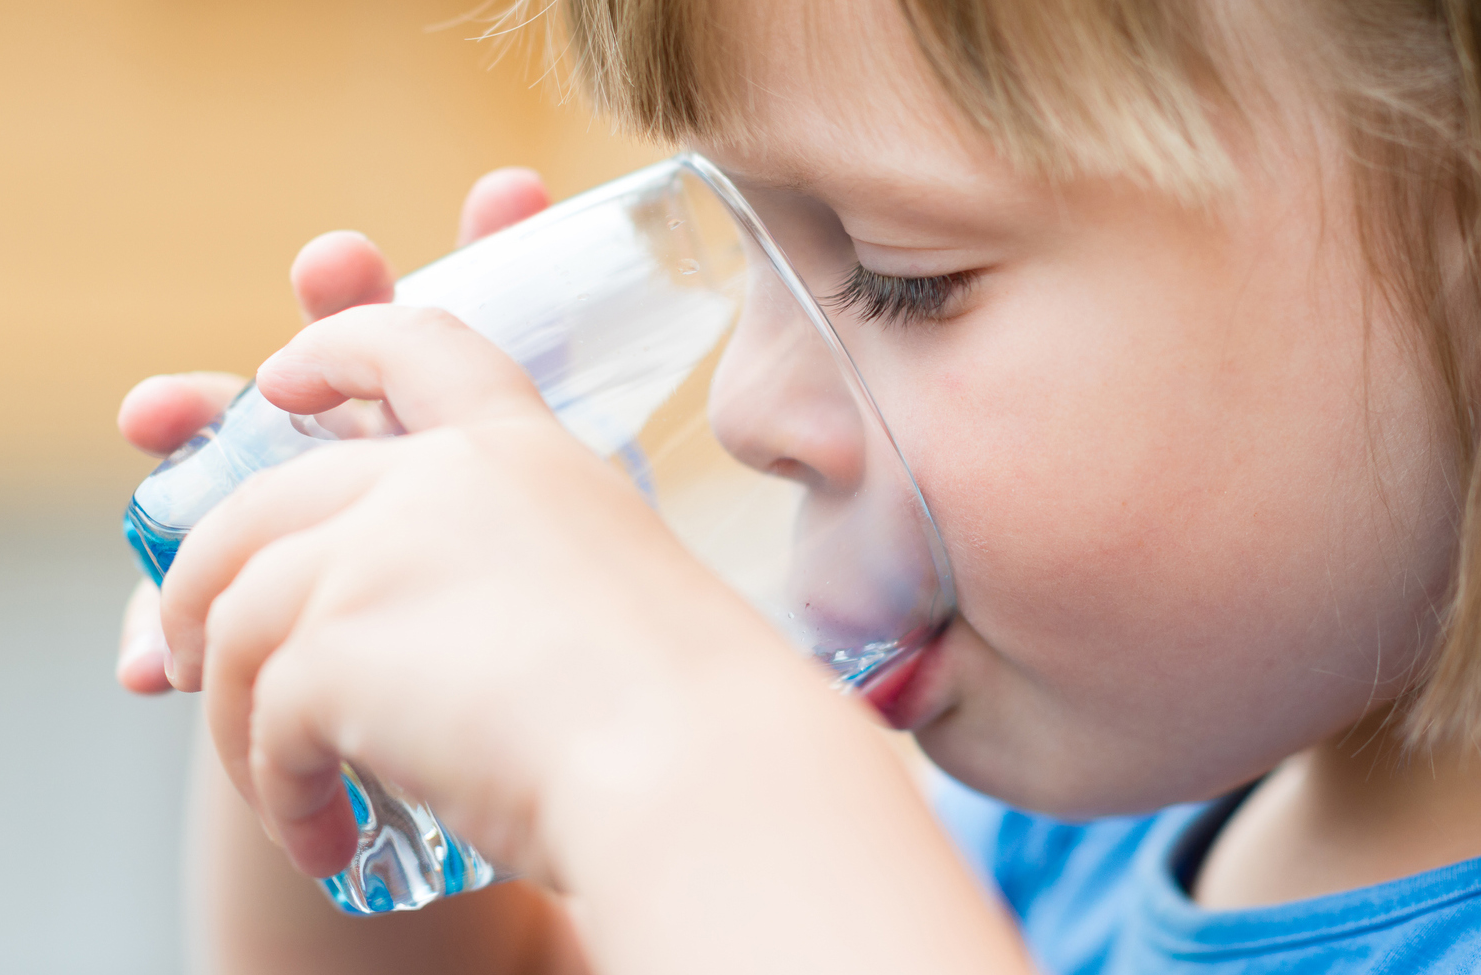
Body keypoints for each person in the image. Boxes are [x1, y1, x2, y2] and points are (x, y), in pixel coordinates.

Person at [115, 0, 1481, 972]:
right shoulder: (1090, 828)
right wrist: (359, 655)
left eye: (904, 274)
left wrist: (682, 748)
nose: (744, 405)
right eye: (751, 236)